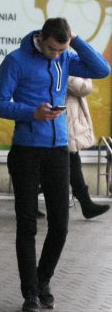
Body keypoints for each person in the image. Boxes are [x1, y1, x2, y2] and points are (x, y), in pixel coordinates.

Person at [0, 17, 110, 312]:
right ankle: (29, 293)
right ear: (41, 38)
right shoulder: (15, 61)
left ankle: (43, 281)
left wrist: (76, 41)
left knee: (60, 225)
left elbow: (102, 69)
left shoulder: (67, 57)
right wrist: (32, 112)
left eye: (61, 48)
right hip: (27, 151)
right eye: (52, 49)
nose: (55, 54)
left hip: (59, 150)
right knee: (27, 224)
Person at [66, 76, 109, 219]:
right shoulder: (62, 63)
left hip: (68, 121)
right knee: (69, 163)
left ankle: (86, 204)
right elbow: (82, 88)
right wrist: (85, 76)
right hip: (65, 122)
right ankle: (86, 204)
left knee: (71, 161)